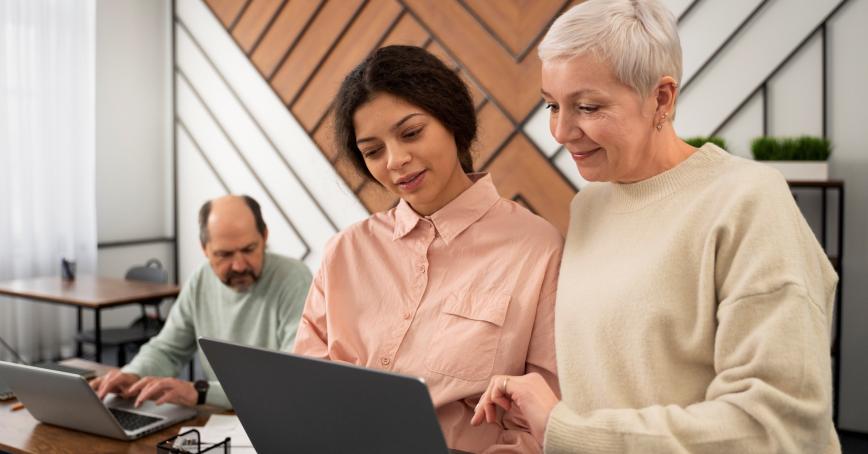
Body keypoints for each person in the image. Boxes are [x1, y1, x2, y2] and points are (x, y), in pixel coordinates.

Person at [472, 1, 840, 452]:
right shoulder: (590, 206)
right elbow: (619, 387)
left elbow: (777, 425)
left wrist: (565, 431)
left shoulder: (748, 201)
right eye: (552, 105)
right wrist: (539, 419)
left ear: (661, 97)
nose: (562, 131)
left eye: (587, 106)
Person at [292, 45, 562, 453]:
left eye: (411, 133)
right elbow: (306, 389)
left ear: (452, 120)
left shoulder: (536, 247)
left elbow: (541, 422)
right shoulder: (345, 251)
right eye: (373, 151)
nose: (396, 160)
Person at [90, 195, 312, 409]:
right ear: (204, 249)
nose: (239, 265)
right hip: (223, 415)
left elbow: (288, 380)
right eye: (224, 254)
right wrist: (133, 374)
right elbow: (168, 349)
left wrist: (201, 392)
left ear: (264, 237)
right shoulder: (201, 279)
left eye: (248, 249)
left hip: (276, 412)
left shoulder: (293, 279)